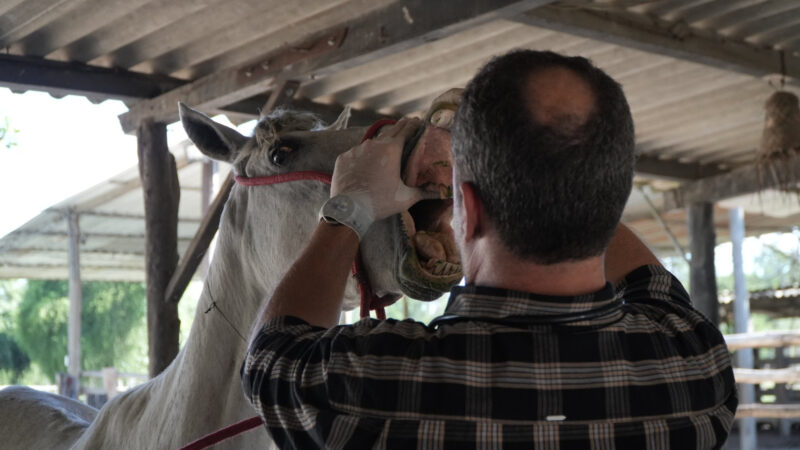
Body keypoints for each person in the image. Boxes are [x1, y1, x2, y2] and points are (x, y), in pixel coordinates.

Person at [241, 50, 737, 449]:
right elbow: (651, 282)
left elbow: (270, 362)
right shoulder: (694, 367)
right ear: (609, 199)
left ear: (470, 210)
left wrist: (346, 207)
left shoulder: (383, 385)